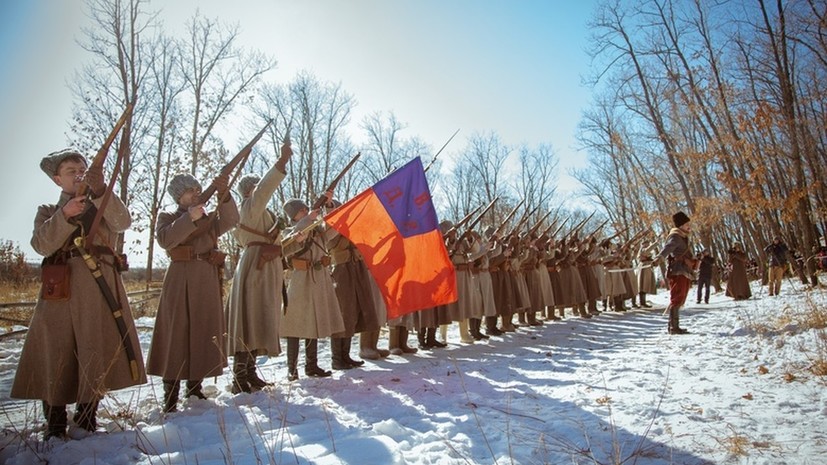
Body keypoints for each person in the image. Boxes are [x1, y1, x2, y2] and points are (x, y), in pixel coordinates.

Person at [12, 149, 147, 440]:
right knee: (55, 350)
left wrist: (100, 189)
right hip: (60, 289)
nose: (78, 174)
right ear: (58, 179)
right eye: (71, 170)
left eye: (82, 169)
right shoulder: (48, 211)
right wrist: (65, 215)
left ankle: (88, 415)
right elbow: (42, 244)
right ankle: (55, 421)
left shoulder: (101, 204)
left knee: (93, 348)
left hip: (99, 290)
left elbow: (123, 222)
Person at [147, 171, 239, 413]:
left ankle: (195, 388)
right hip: (180, 277)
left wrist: (224, 193)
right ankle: (171, 394)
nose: (196, 194)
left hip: (206, 278)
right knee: (176, 334)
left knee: (202, 331)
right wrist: (189, 218)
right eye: (191, 191)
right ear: (179, 196)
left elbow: (231, 220)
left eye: (198, 190)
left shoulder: (209, 219)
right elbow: (167, 240)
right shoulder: (168, 217)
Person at [224, 139, 292, 393]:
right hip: (256, 267)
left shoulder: (262, 215)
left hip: (266, 266)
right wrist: (281, 163)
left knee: (259, 318)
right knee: (250, 319)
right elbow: (264, 189)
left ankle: (250, 373)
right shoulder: (250, 207)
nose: (259, 190)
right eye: (255, 187)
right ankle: (240, 377)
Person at [281, 197, 345, 381]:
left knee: (313, 322)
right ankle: (291, 369)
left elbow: (333, 228)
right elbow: (288, 243)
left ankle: (312, 365)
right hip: (301, 279)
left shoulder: (316, 230)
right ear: (294, 216)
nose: (306, 212)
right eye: (302, 211)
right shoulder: (291, 231)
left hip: (319, 277)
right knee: (294, 325)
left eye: (306, 209)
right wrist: (308, 219)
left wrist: (329, 207)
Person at [657, 211, 697, 335]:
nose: (688, 226)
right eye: (686, 224)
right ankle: (673, 328)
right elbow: (668, 248)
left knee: (680, 297)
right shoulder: (675, 236)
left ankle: (674, 326)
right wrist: (660, 257)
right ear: (680, 225)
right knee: (677, 297)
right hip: (678, 270)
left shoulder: (683, 236)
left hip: (684, 270)